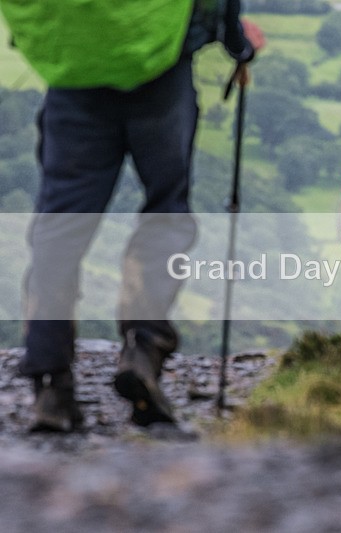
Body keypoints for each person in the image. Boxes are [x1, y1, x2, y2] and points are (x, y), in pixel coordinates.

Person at [1, 0, 265, 432]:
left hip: (75, 74)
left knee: (60, 228)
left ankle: (50, 382)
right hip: (161, 76)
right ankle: (143, 348)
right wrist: (236, 41)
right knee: (166, 209)